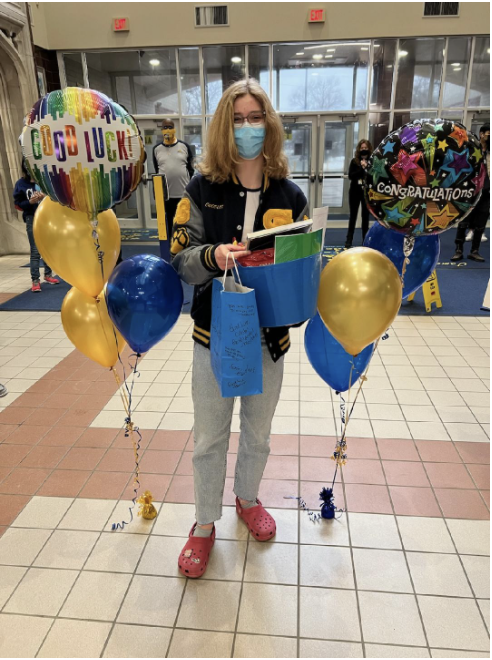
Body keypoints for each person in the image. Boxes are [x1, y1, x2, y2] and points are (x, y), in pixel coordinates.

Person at [170, 78, 308, 579]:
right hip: (215, 334)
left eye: (255, 118)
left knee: (259, 432)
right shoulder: (201, 189)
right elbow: (180, 259)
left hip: (270, 338)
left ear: (268, 125)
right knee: (209, 436)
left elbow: (302, 268)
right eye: (237, 119)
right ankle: (204, 523)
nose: (247, 127)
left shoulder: (291, 195)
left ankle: (247, 498)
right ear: (222, 128)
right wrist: (214, 255)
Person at [13, 161, 59, 292]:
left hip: (46, 218)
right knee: (35, 250)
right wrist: (30, 202)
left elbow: (56, 198)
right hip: (31, 217)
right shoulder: (21, 184)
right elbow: (18, 204)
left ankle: (48, 275)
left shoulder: (44, 181)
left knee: (48, 248)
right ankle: (35, 280)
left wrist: (46, 196)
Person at [452, 123, 490, 263]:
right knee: (464, 221)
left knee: (480, 223)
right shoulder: (472, 148)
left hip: (486, 193)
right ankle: (458, 250)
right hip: (470, 191)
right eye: (488, 133)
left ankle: (475, 251)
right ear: (481, 134)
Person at [152, 118, 195, 242]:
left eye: (170, 127)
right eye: (165, 127)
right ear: (161, 130)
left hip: (183, 194)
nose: (167, 130)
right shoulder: (156, 149)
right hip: (166, 196)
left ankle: (186, 244)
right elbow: (157, 169)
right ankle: (171, 246)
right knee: (169, 223)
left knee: (184, 222)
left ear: (174, 129)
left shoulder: (184, 146)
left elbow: (190, 169)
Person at [345, 139, 373, 249]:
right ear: (359, 149)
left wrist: (367, 168)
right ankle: (349, 240)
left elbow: (374, 176)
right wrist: (361, 168)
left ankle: (365, 240)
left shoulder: (372, 162)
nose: (364, 150)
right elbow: (351, 175)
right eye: (362, 148)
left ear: (369, 149)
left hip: (366, 193)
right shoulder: (354, 161)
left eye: (365, 148)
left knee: (365, 217)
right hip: (354, 192)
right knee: (353, 216)